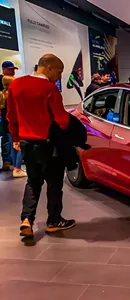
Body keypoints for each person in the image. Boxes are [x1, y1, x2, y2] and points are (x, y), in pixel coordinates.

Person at [7, 53, 76, 237]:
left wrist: (15, 138)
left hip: (26, 144)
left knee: (33, 181)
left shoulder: (16, 85)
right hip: (49, 145)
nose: (60, 77)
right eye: (60, 72)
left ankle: (26, 219)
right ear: (49, 67)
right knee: (54, 184)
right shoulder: (49, 89)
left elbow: (11, 117)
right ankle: (54, 221)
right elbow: (62, 121)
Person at [0, 76, 26, 178]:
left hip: (6, 126)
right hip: (14, 125)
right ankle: (18, 168)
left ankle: (16, 167)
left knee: (14, 146)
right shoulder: (12, 96)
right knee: (19, 147)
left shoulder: (2, 95)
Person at [0, 61, 17, 171]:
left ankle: (13, 159)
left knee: (12, 137)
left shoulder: (14, 82)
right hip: (4, 115)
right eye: (10, 69)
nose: (13, 71)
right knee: (6, 137)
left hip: (11, 115)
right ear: (4, 69)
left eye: (13, 69)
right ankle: (7, 160)